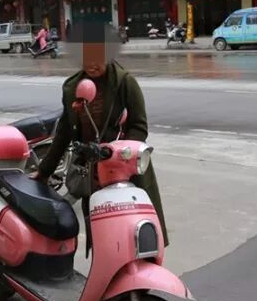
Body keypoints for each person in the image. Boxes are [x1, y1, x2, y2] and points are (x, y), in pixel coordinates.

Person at [35, 22, 168, 249]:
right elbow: (65, 132)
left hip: (124, 171)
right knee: (101, 232)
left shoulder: (124, 83)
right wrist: (45, 170)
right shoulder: (72, 88)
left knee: (134, 234)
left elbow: (139, 126)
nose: (91, 64)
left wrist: (117, 154)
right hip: (92, 173)